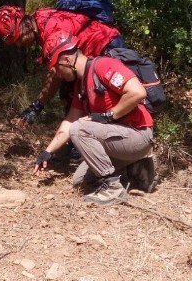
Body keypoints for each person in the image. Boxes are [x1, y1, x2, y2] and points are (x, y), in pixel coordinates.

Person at [32, 32, 156, 205]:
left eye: (56, 68)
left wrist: (108, 115)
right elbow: (69, 121)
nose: (58, 75)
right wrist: (48, 151)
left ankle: (113, 189)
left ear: (67, 60)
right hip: (118, 140)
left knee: (80, 129)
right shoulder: (81, 85)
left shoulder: (104, 66)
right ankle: (137, 165)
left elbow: (138, 92)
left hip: (138, 134)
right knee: (80, 180)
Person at [0, 5, 124, 125]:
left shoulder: (51, 31)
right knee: (69, 95)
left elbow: (55, 75)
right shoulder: (38, 18)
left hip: (105, 45)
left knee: (99, 99)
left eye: (19, 38)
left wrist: (36, 106)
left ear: (25, 26)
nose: (19, 45)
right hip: (95, 47)